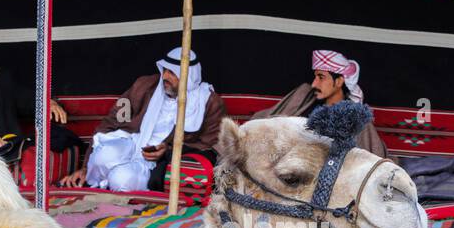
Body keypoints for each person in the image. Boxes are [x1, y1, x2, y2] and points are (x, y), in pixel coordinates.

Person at [60, 48, 227, 192]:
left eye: (172, 73)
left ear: (189, 76)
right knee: (102, 157)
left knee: (121, 179)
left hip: (158, 162)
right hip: (133, 141)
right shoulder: (144, 86)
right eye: (164, 70)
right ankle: (94, 180)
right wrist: (85, 167)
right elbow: (112, 120)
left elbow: (208, 147)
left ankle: (115, 183)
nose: (165, 77)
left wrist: (169, 151)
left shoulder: (209, 103)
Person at [249, 49, 388, 157]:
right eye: (315, 77)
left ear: (339, 81)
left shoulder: (355, 116)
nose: (314, 84)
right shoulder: (304, 96)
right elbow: (269, 120)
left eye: (321, 77)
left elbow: (372, 155)